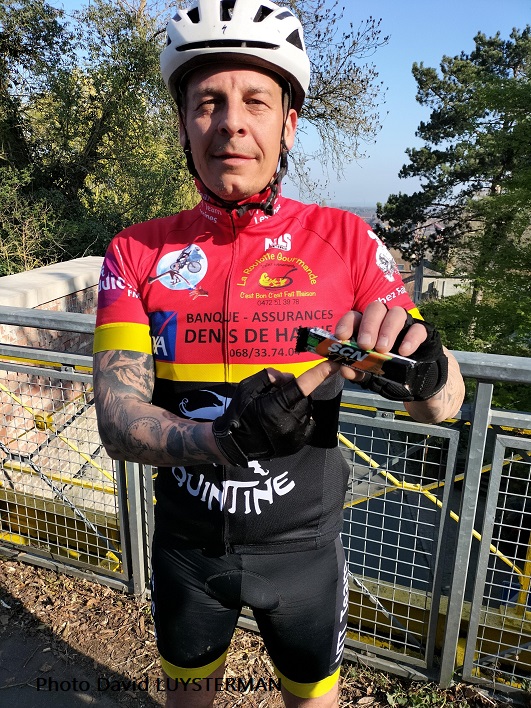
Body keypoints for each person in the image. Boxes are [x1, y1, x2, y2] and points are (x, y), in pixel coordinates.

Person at [92, 1, 465, 706]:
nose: (231, 122)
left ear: (288, 124)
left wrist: (424, 371)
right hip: (187, 554)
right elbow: (117, 420)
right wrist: (222, 440)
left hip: (303, 556)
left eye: (256, 101)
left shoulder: (348, 242)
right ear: (184, 123)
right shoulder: (135, 252)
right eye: (208, 101)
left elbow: (443, 406)